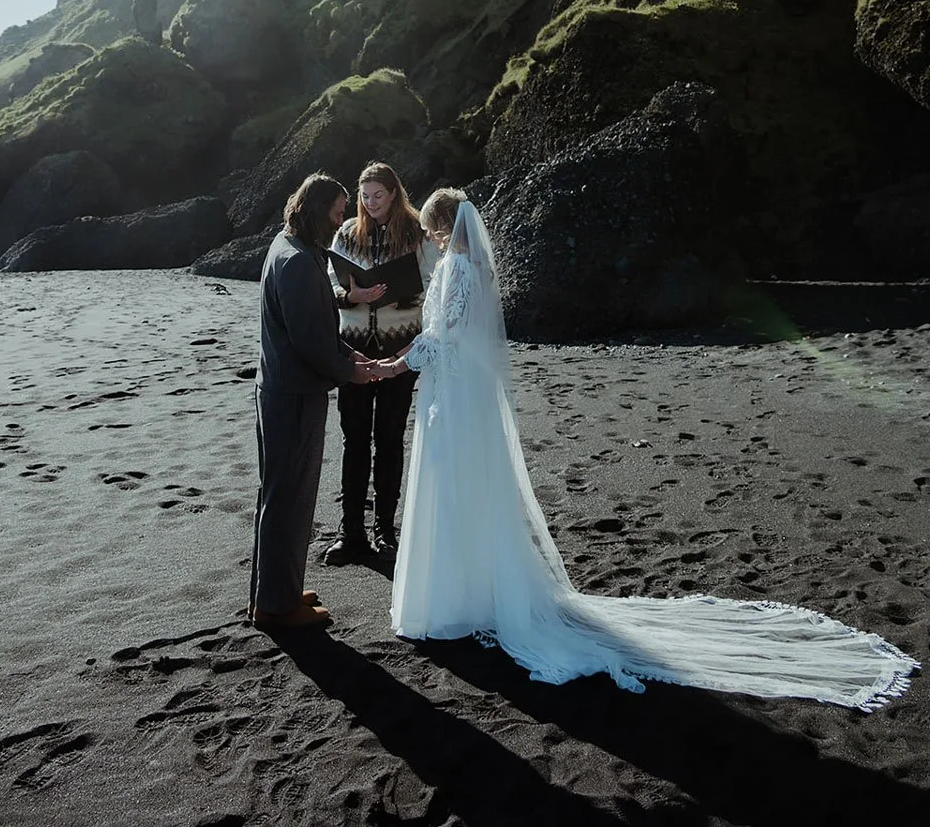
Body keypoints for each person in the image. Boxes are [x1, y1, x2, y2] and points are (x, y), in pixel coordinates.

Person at [375, 189, 919, 708]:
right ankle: (477, 592)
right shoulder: (472, 271)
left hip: (452, 395)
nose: (432, 239)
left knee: (452, 485)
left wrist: (393, 364)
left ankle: (455, 600)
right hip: (464, 394)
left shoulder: (455, 270)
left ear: (444, 229)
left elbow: (442, 337)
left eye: (432, 231)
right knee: (470, 487)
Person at [249, 172, 380, 632]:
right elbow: (309, 341)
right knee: (289, 498)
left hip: (279, 390)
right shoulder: (300, 263)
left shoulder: (285, 247)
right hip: (295, 396)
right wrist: (352, 371)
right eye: (339, 211)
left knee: (277, 496)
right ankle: (278, 608)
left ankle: (273, 592)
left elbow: (313, 330)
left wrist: (347, 354)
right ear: (318, 209)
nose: (342, 219)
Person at [323, 161, 439, 565]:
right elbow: (330, 289)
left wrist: (397, 297)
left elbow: (434, 287)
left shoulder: (417, 237)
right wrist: (353, 298)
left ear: (394, 194)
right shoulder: (345, 234)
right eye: (365, 197)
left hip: (400, 350)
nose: (370, 204)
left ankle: (385, 531)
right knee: (353, 440)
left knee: (389, 439)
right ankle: (350, 533)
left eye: (378, 196)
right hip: (352, 347)